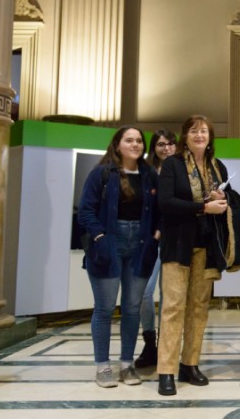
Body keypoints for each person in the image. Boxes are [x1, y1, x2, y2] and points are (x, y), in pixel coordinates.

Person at [78, 126, 159, 388]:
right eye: (129, 140)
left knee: (132, 308)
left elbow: (160, 210)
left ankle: (127, 364)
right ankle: (102, 366)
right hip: (107, 244)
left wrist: (156, 236)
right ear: (117, 144)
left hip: (141, 245)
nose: (135, 144)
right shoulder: (101, 172)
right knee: (104, 308)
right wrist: (100, 238)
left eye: (138, 140)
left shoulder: (149, 175)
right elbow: (86, 211)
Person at [156, 115, 230, 396]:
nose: (199, 135)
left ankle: (190, 363)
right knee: (173, 307)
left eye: (204, 131)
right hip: (177, 246)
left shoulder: (217, 166)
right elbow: (166, 203)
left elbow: (227, 199)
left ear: (210, 136)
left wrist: (221, 201)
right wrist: (202, 207)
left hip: (207, 247)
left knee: (199, 307)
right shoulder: (172, 165)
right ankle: (167, 370)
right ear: (185, 136)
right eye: (194, 131)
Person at [135, 129, 177, 369]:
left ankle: (166, 345)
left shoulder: (181, 170)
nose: (166, 148)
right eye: (161, 144)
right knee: (144, 294)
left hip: (173, 241)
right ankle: (149, 342)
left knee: (170, 297)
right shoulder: (147, 173)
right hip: (149, 242)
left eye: (171, 144)